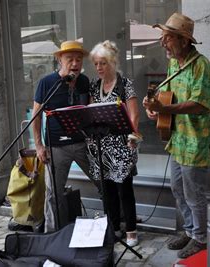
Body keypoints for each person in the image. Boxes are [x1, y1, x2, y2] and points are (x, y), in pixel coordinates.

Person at [142, 13, 210, 259]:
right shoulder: (174, 64)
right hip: (178, 138)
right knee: (177, 187)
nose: (163, 43)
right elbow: (165, 94)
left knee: (193, 191)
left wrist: (165, 109)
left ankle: (201, 237)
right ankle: (190, 229)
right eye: (163, 38)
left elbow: (199, 103)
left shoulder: (201, 65)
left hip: (196, 139)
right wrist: (152, 106)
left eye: (168, 38)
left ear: (184, 41)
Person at [32, 40, 93, 233]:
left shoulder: (84, 81)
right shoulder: (47, 82)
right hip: (56, 147)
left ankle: (114, 222)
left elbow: (89, 110)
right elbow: (36, 115)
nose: (75, 63)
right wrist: (39, 146)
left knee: (104, 181)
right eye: (70, 59)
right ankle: (54, 233)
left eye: (78, 59)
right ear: (60, 59)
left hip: (82, 143)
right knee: (54, 194)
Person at [87, 40, 141, 247]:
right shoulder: (94, 85)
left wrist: (132, 138)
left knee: (124, 190)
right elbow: (90, 113)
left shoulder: (125, 84)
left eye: (103, 63)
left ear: (113, 63)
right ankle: (113, 227)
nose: (99, 68)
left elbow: (134, 116)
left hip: (121, 146)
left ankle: (131, 230)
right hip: (100, 146)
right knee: (107, 190)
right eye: (97, 64)